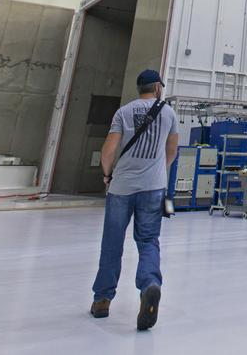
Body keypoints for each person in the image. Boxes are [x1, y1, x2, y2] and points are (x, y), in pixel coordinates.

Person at [91, 70, 179, 332]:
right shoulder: (168, 113)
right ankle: (150, 283)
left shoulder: (124, 112)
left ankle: (102, 300)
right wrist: (159, 170)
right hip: (153, 187)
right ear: (156, 87)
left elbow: (108, 150)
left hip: (122, 187)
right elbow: (172, 150)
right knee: (149, 239)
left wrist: (108, 174)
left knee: (112, 241)